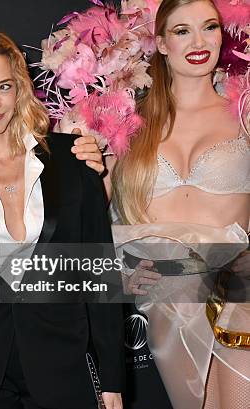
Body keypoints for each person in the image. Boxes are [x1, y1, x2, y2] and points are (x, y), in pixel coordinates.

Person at [0, 31, 125, 409]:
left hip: (62, 369)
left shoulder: (73, 161)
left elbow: (99, 277)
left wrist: (112, 379)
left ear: (20, 88)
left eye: (3, 86)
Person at [108, 0, 250, 407]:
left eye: (209, 27)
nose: (199, 41)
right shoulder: (129, 122)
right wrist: (117, 275)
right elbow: (93, 214)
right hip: (169, 297)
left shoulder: (243, 110)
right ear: (162, 43)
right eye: (182, 30)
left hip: (238, 287)